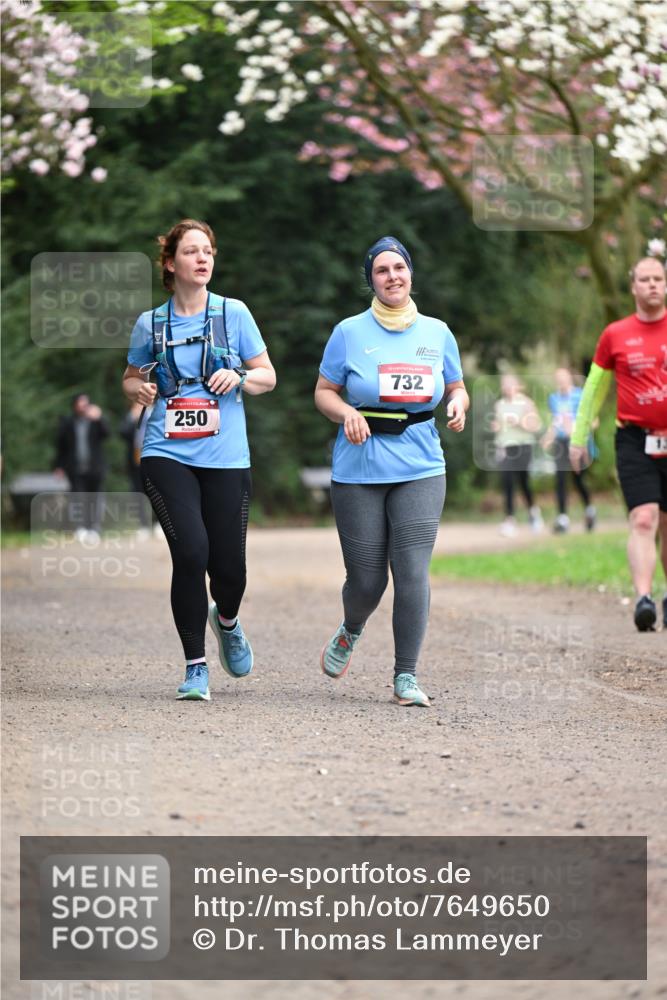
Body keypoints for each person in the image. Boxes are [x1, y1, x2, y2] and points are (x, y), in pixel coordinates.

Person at [122, 219, 276, 700]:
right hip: (166, 451)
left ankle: (226, 620)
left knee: (230, 571)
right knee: (191, 552)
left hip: (226, 456)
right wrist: (140, 388)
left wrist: (240, 377)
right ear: (171, 263)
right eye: (191, 251)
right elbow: (130, 377)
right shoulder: (150, 323)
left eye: (207, 250)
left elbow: (268, 375)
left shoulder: (234, 314)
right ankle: (195, 667)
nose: (202, 258)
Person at [314, 236, 468, 708]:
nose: (392, 276)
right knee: (367, 582)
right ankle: (352, 627)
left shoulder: (437, 333)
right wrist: (347, 413)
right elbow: (324, 392)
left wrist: (458, 403)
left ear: (410, 274)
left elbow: (456, 386)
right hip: (359, 467)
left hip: (421, 465)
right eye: (382, 270)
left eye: (399, 267)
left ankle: (406, 676)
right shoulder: (348, 332)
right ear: (372, 280)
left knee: (412, 569)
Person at [570, 256, 667, 632]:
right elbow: (594, 388)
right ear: (633, 287)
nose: (652, 285)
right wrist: (579, 436)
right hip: (633, 439)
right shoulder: (615, 334)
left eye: (658, 278)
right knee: (643, 517)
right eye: (645, 279)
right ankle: (643, 599)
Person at [542, 367, 596, 533]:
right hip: (561, 442)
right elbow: (556, 421)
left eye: (563, 378)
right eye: (558, 379)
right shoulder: (553, 398)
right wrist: (548, 436)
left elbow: (593, 421)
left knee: (578, 479)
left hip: (578, 442)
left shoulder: (580, 395)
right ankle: (562, 517)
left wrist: (579, 432)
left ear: (570, 378)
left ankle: (589, 509)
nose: (561, 381)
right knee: (560, 478)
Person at [490, 374, 543, 537]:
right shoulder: (499, 405)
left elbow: (536, 425)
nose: (507, 388)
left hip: (523, 446)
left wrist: (519, 422)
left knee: (523, 481)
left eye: (510, 384)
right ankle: (510, 520)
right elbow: (499, 426)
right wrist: (496, 426)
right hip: (505, 447)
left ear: (518, 386)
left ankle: (533, 512)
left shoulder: (526, 403)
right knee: (507, 481)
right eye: (504, 385)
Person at [54, 392, 109, 541]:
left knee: (95, 498)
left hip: (95, 468)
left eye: (85, 403)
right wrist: (59, 466)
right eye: (79, 403)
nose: (82, 406)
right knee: (78, 499)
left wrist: (99, 418)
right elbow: (61, 447)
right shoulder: (68, 423)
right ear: (74, 405)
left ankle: (94, 528)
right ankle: (80, 527)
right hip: (75, 468)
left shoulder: (95, 421)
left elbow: (106, 434)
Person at [119, 400, 154, 539]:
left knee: (157, 493)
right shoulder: (133, 416)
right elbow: (122, 433)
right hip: (136, 460)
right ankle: (143, 525)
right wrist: (132, 417)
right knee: (138, 493)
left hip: (155, 458)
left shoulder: (156, 412)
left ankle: (158, 524)